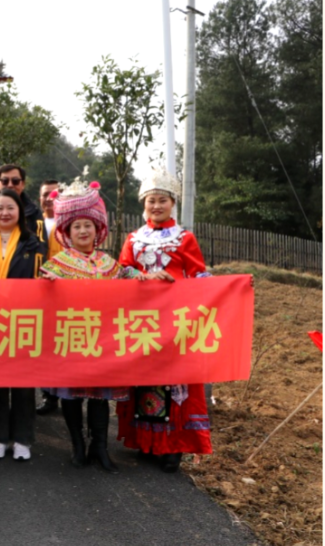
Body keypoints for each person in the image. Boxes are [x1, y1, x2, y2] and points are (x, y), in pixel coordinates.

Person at [39, 177, 142, 474]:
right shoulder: (56, 265)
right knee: (72, 395)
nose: (83, 231)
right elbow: (40, 298)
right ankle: (77, 445)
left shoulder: (110, 264)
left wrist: (150, 278)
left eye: (88, 225)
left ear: (98, 229)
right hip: (72, 338)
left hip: (103, 341)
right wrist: (46, 286)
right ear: (66, 232)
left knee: (100, 397)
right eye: (76, 226)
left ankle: (100, 446)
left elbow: (132, 282)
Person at [115, 169, 214, 473]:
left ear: (173, 203)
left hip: (176, 321)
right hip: (142, 321)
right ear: (143, 205)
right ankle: (146, 442)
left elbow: (199, 274)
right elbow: (121, 272)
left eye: (162, 200)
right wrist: (144, 276)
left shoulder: (185, 238)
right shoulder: (133, 238)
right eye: (150, 201)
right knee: (144, 380)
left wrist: (228, 289)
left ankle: (174, 447)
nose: (156, 206)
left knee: (176, 381)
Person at [0, 188, 46, 462]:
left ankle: (23, 439)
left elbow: (41, 281)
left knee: (24, 383)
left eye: (10, 208)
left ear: (20, 213)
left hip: (24, 320)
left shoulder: (34, 245)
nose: (5, 213)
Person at [36, 178, 62, 416]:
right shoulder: (34, 224)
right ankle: (48, 395)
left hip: (64, 292)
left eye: (55, 194)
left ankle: (65, 393)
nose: (50, 198)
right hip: (38, 290)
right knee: (43, 345)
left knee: (62, 343)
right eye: (46, 194)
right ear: (40, 198)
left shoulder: (69, 225)